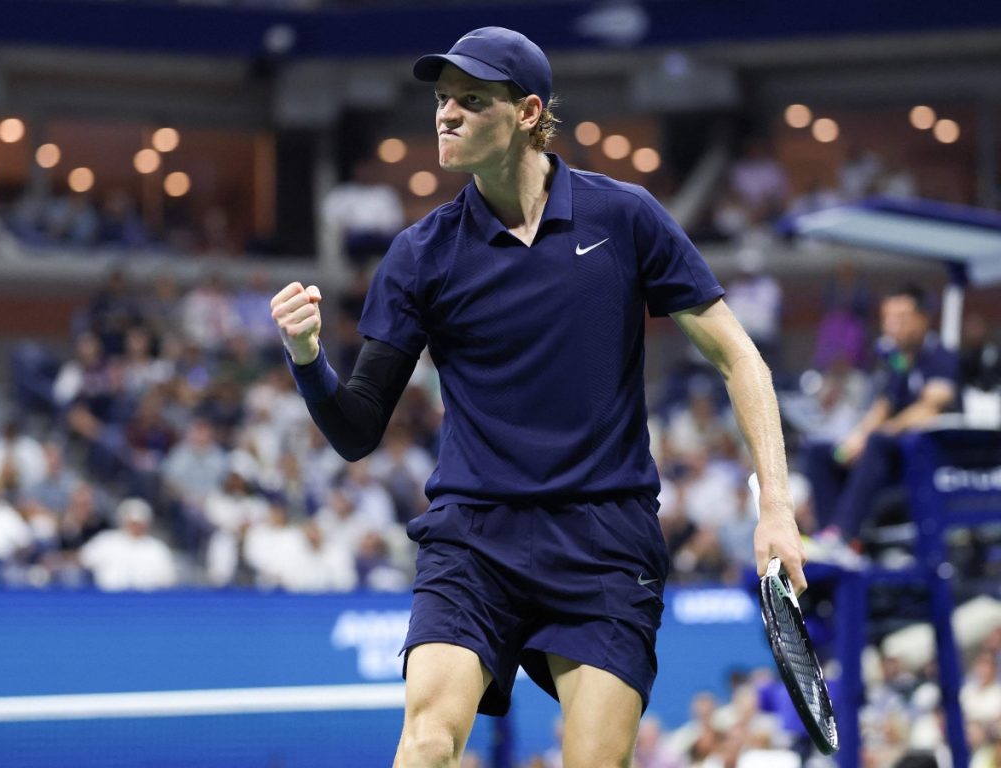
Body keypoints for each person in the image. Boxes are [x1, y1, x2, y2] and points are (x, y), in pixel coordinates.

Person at [270, 27, 804, 768]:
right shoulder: (420, 255)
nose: (446, 114)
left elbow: (739, 357)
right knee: (426, 743)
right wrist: (306, 358)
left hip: (604, 540)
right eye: (442, 100)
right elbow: (358, 429)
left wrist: (775, 505)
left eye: (471, 100)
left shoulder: (624, 217)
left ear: (527, 113)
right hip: (474, 536)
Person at [803, 284, 959, 550]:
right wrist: (854, 441)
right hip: (886, 454)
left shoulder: (940, 356)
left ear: (923, 318)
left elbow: (931, 407)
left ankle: (843, 536)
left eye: (901, 318)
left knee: (876, 441)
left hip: (927, 454)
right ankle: (828, 536)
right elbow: (883, 406)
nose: (892, 326)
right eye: (888, 318)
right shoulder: (896, 362)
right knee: (820, 451)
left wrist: (880, 433)